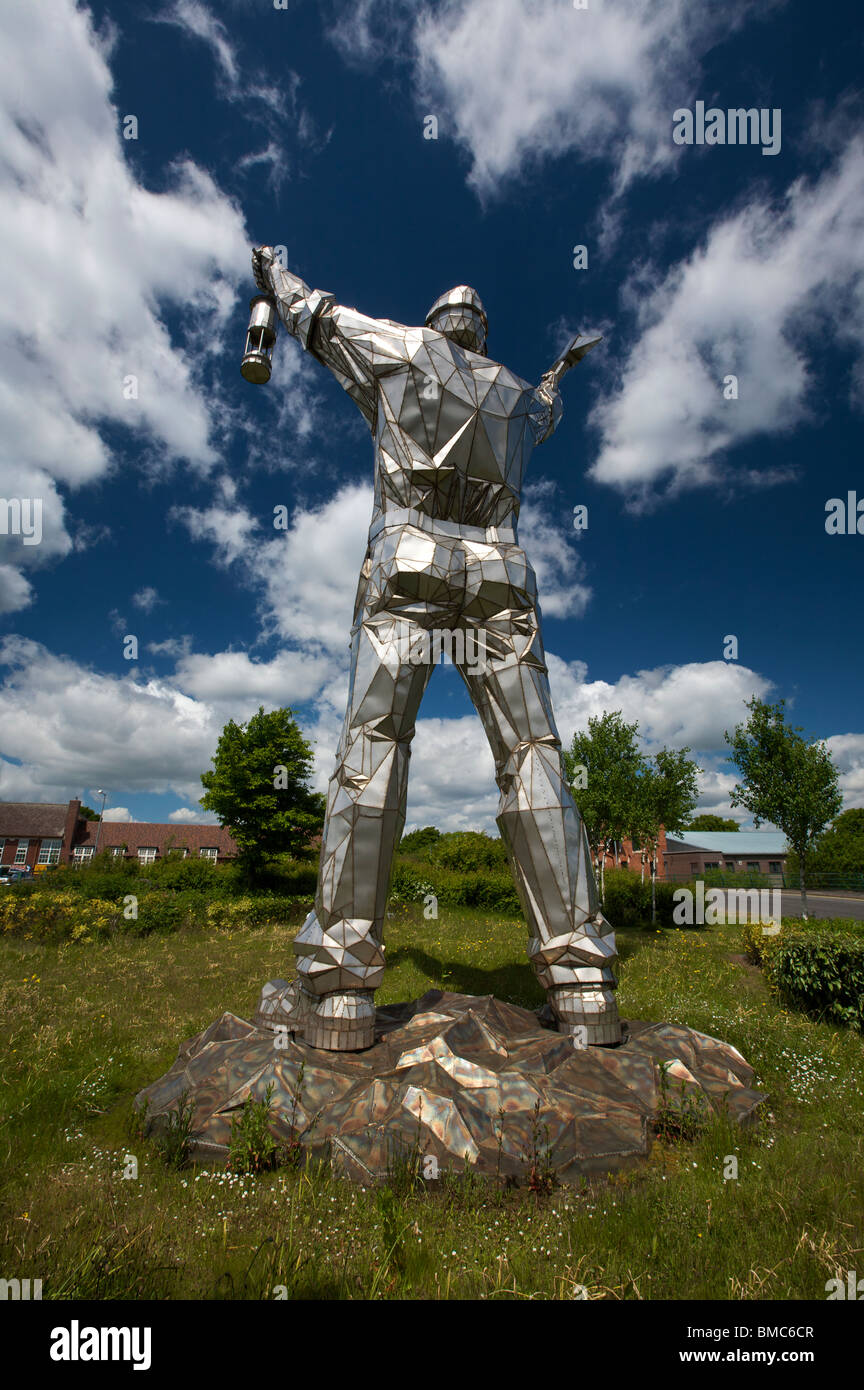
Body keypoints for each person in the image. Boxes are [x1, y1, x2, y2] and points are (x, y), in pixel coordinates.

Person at [251, 247, 621, 1050]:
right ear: (483, 333)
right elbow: (546, 409)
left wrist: (274, 278)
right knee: (534, 754)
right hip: (501, 572)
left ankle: (342, 991)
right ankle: (585, 984)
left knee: (376, 744)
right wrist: (558, 373)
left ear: (437, 326)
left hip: (411, 556)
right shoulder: (519, 400)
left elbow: (316, 317)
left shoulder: (403, 350)